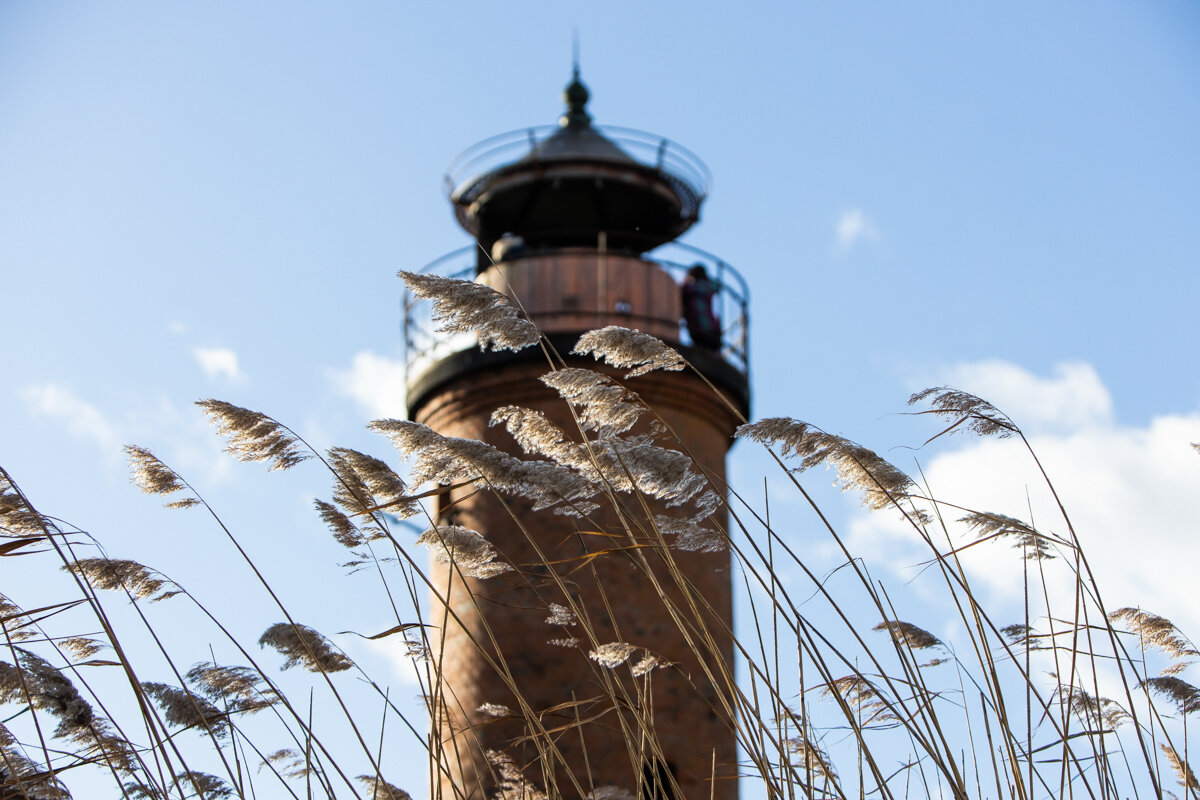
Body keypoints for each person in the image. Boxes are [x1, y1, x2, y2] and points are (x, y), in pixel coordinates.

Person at [681, 264, 721, 350]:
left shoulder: (695, 287)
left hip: (702, 328)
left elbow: (686, 289)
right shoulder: (707, 286)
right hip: (711, 328)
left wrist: (686, 281)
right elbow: (716, 286)